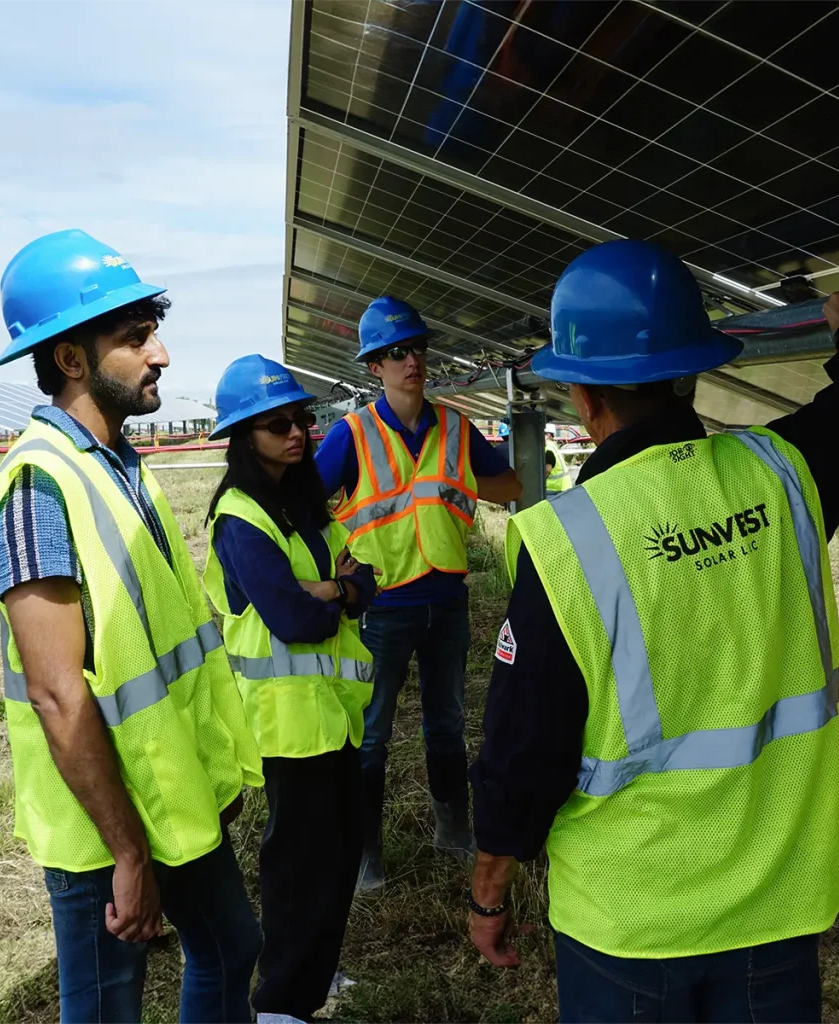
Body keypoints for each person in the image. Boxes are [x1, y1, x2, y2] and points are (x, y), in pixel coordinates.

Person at [467, 239, 839, 1023]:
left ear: (583, 394)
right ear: (694, 369)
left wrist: (491, 885)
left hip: (632, 921)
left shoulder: (570, 539)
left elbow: (524, 749)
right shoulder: (783, 475)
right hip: (777, 901)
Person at [0, 230, 264, 1023]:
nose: (161, 354)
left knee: (232, 947)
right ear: (72, 359)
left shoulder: (119, 464)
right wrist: (130, 853)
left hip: (171, 796)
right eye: (136, 339)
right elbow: (58, 693)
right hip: (103, 826)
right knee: (106, 1007)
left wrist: (212, 781)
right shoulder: (39, 488)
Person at [315, 296, 522, 891]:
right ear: (374, 367)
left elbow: (508, 483)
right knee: (372, 730)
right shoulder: (350, 434)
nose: (413, 361)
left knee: (447, 722)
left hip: (446, 600)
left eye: (418, 349)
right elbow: (306, 507)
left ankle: (454, 833)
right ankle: (365, 857)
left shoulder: (455, 426)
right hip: (380, 608)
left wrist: (466, 488)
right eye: (397, 353)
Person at [203, 355, 377, 1024]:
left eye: (302, 419)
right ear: (243, 437)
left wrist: (338, 587)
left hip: (333, 717)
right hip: (290, 725)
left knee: (334, 859)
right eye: (277, 425)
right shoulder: (241, 519)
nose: (297, 433)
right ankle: (279, 1004)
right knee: (300, 869)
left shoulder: (303, 507)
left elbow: (366, 581)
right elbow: (295, 618)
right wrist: (339, 591)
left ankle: (314, 981)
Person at [544, 422, 571, 495]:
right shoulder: (552, 445)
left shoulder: (548, 449)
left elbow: (547, 470)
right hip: (563, 487)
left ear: (548, 435)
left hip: (554, 489)